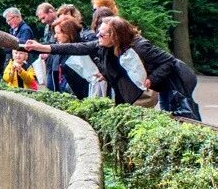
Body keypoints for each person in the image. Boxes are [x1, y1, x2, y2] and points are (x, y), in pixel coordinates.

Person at [25, 17, 201, 119]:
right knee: (169, 112)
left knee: (181, 113)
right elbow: (77, 48)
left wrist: (152, 79)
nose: (98, 36)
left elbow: (168, 62)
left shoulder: (140, 46)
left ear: (115, 35)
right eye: (99, 32)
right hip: (157, 83)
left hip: (176, 79)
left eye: (103, 33)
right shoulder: (106, 45)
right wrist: (42, 47)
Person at [35, 2, 62, 91]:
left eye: (43, 17)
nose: (43, 21)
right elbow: (49, 42)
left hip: (59, 63)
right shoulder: (48, 26)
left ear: (51, 11)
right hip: (50, 62)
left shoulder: (63, 23)